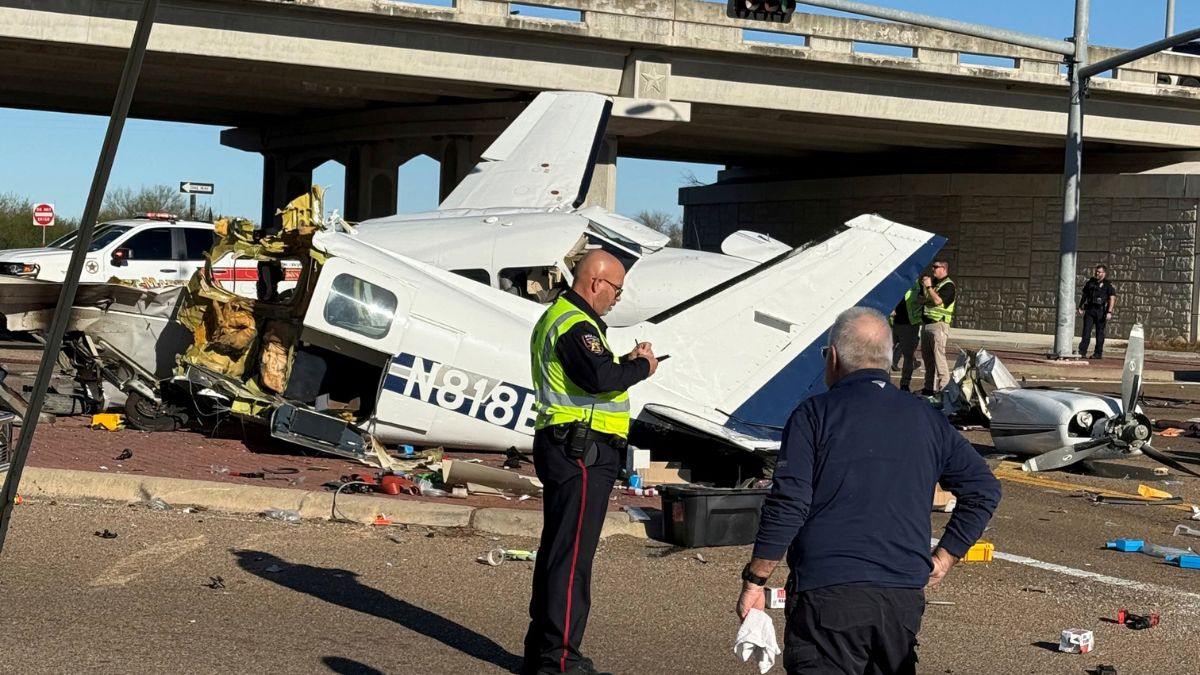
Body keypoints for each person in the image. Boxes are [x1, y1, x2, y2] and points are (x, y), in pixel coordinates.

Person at [735, 307, 1000, 675]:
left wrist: (756, 579)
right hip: (902, 596)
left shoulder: (814, 415)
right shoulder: (926, 417)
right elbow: (983, 489)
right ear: (888, 361)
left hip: (828, 593)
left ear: (834, 359)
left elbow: (789, 503)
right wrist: (945, 555)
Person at [523, 250, 658, 675]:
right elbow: (599, 378)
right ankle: (560, 659)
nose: (617, 298)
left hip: (569, 446)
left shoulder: (566, 321)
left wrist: (622, 362)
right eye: (616, 289)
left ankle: (542, 652)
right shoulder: (574, 324)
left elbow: (594, 372)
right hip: (580, 450)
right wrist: (640, 366)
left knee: (559, 551)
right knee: (572, 558)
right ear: (596, 283)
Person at [919, 259, 955, 396]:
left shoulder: (949, 286)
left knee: (939, 359)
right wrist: (928, 290)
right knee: (928, 360)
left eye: (936, 267)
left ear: (944, 269)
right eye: (932, 267)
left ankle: (944, 389)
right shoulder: (935, 284)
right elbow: (920, 299)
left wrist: (929, 288)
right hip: (927, 324)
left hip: (938, 325)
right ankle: (928, 388)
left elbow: (938, 301)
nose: (933, 269)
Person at [1077, 264, 1117, 359]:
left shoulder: (1108, 285)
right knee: (1086, 331)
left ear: (1104, 273)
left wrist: (1109, 312)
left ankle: (1098, 353)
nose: (1097, 273)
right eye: (1096, 271)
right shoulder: (1090, 283)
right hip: (1090, 309)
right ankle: (1082, 351)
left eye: (1099, 272)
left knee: (1100, 333)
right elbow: (1084, 295)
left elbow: (1112, 298)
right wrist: (1080, 306)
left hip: (1101, 311)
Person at [890, 281, 923, 392]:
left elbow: (925, 300)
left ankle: (905, 384)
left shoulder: (917, 285)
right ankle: (885, 380)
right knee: (885, 353)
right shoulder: (897, 283)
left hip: (910, 324)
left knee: (908, 356)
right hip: (895, 323)